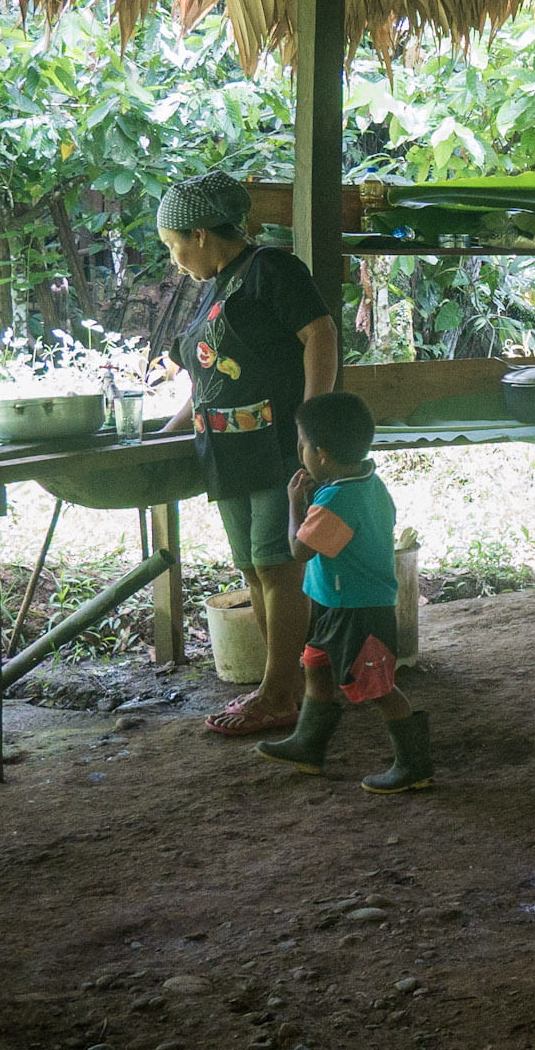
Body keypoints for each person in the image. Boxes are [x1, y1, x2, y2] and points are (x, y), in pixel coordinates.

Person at [157, 171, 339, 736]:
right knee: (254, 571)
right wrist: (166, 432)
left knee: (277, 567)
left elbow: (323, 334)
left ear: (203, 233)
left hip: (275, 444)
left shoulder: (272, 270)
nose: (175, 260)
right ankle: (283, 686)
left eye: (175, 246)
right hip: (226, 451)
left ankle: (279, 691)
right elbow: (207, 377)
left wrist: (312, 426)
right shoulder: (216, 285)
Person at [257, 392, 432, 793]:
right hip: (334, 604)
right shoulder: (368, 483)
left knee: (378, 689)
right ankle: (307, 744)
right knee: (315, 667)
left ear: (319, 454)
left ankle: (415, 763)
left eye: (301, 443)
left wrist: (292, 504)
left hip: (357, 612)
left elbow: (298, 550)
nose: (298, 450)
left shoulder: (337, 499)